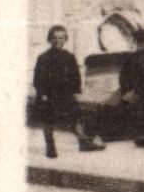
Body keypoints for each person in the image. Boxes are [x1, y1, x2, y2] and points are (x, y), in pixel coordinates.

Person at [32, 26, 105, 157]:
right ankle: (50, 146)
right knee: (48, 119)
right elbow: (38, 79)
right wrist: (42, 94)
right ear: (49, 39)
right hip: (48, 95)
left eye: (61, 38)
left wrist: (76, 91)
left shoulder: (69, 57)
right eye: (54, 38)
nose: (58, 41)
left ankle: (83, 142)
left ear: (65, 39)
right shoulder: (43, 58)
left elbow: (75, 76)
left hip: (65, 94)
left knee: (75, 118)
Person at [118, 26, 144, 145]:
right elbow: (123, 78)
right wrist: (126, 92)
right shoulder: (130, 59)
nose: (143, 45)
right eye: (140, 43)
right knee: (118, 110)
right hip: (132, 93)